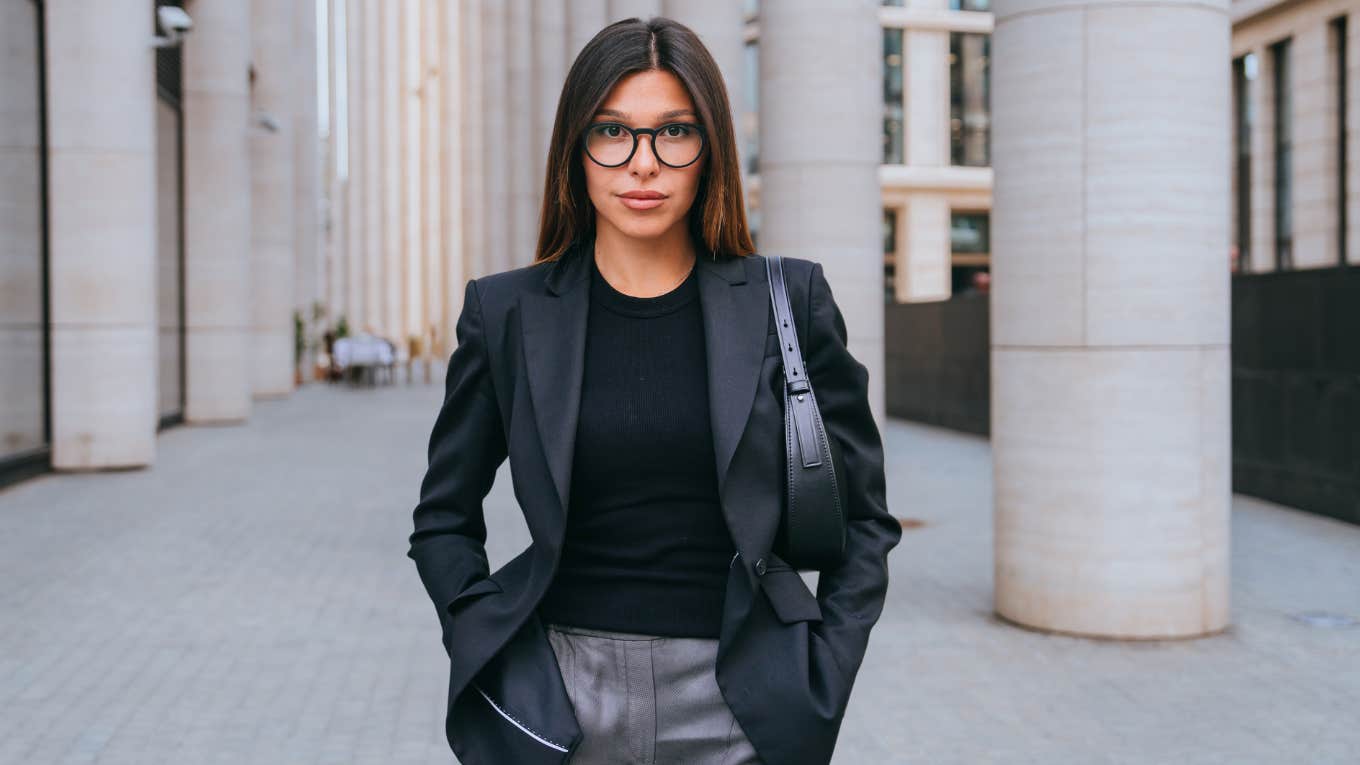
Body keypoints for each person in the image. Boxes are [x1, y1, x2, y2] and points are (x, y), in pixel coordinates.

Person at [406, 16, 902, 765]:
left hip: (745, 699)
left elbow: (865, 519)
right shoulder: (505, 313)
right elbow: (442, 517)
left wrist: (824, 667)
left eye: (674, 132)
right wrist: (487, 639)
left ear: (712, 151)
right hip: (562, 698)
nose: (643, 163)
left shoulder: (789, 300)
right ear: (576, 150)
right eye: (613, 132)